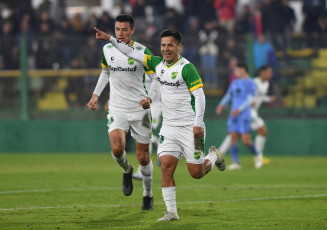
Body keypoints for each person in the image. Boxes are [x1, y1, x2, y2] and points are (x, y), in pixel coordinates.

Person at [94, 27, 226, 221]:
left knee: (196, 173)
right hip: (169, 127)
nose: (166, 49)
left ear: (178, 46)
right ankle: (171, 211)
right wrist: (111, 39)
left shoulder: (186, 68)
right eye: (163, 45)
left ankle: (213, 156)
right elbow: (130, 52)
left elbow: (199, 95)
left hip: (190, 127)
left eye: (170, 45)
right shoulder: (157, 64)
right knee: (165, 166)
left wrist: (198, 123)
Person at [87, 14, 155, 211]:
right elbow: (105, 72)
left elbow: (154, 78)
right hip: (117, 107)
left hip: (140, 110)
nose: (121, 33)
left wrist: (149, 97)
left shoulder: (142, 51)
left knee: (143, 157)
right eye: (117, 29)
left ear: (132, 30)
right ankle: (127, 169)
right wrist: (96, 95)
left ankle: (148, 195)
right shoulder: (107, 49)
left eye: (125, 29)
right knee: (117, 149)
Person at [217, 65, 275, 168]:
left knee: (246, 140)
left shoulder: (260, 83)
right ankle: (235, 162)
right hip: (242, 113)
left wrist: (268, 99)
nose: (234, 72)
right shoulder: (246, 82)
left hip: (246, 113)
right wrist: (221, 105)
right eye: (269, 71)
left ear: (242, 70)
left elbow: (254, 97)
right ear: (262, 72)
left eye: (236, 70)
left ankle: (257, 156)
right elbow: (229, 95)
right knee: (233, 136)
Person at [133, 75, 162, 180]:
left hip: (154, 107)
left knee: (146, 135)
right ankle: (161, 148)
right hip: (141, 107)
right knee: (143, 135)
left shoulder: (158, 67)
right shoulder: (136, 68)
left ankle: (142, 170)